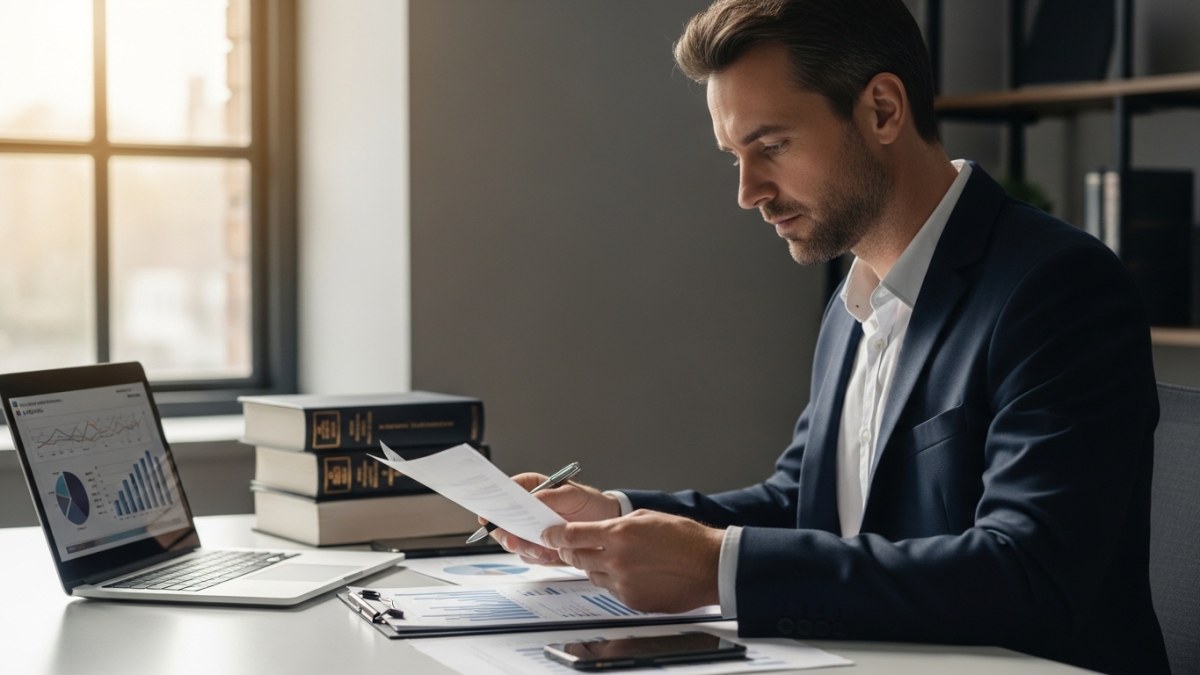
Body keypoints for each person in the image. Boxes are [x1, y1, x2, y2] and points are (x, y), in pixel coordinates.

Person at [489, 1, 1168, 673]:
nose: (749, 191)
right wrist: (613, 518)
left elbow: (1028, 572)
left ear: (883, 110)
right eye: (735, 157)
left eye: (772, 146)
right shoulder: (854, 300)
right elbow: (807, 504)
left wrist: (717, 566)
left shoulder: (1057, 287)